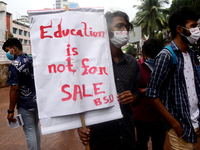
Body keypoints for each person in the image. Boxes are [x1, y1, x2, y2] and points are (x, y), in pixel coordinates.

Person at [78, 11, 140, 150]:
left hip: (127, 136)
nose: (124, 30)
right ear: (106, 30)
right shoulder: (91, 64)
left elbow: (137, 93)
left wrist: (134, 97)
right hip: (100, 138)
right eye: (119, 26)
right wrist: (80, 128)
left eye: (126, 27)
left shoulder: (132, 63)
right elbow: (81, 99)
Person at [146, 7, 200, 150]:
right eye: (193, 26)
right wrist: (174, 124)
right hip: (180, 126)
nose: (197, 30)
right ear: (179, 29)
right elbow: (151, 93)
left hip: (195, 121)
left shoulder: (191, 53)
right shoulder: (167, 56)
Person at [3, 38, 41, 150]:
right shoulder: (32, 60)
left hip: (25, 104)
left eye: (8, 50)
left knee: (29, 130)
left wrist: (10, 111)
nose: (8, 54)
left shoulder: (14, 65)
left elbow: (14, 89)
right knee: (35, 127)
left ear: (14, 48)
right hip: (36, 102)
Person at [132, 38, 166, 150]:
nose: (155, 59)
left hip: (159, 114)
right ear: (144, 54)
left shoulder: (161, 65)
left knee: (159, 144)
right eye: (152, 56)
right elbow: (132, 90)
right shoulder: (136, 67)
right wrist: (148, 90)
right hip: (142, 115)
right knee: (141, 144)